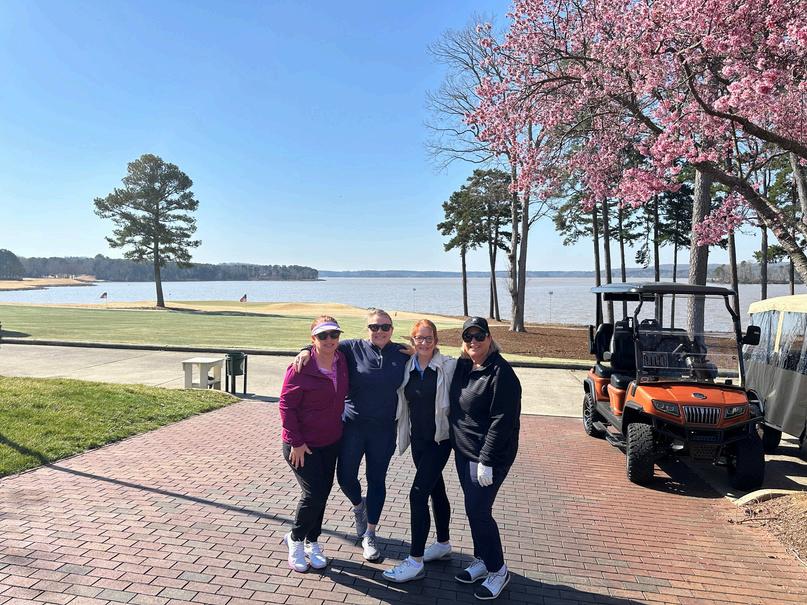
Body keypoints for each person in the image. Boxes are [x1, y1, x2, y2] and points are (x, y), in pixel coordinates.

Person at [294, 308, 409, 561]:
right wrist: (304, 350)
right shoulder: (351, 348)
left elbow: (428, 356)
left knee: (376, 480)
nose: (379, 331)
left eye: (385, 327)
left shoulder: (402, 353)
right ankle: (359, 506)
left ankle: (370, 534)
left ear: (392, 329)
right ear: (367, 329)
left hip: (383, 431)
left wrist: (420, 349)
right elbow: (323, 344)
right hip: (352, 427)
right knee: (345, 478)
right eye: (374, 327)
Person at [449, 317, 521, 600]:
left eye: (479, 336)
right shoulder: (464, 366)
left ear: (490, 338)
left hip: (489, 457)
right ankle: (481, 559)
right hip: (464, 453)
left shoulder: (501, 373)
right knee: (472, 510)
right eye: (468, 337)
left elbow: (502, 421)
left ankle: (498, 570)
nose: (474, 342)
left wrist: (487, 461)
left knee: (479, 511)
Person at [383, 319, 457, 583]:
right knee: (436, 489)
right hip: (418, 441)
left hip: (440, 441)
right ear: (413, 340)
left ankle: (415, 561)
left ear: (436, 340)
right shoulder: (408, 367)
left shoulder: (448, 366)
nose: (424, 343)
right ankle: (443, 544)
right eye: (419, 338)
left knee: (417, 495)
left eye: (429, 338)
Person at [279, 316, 349, 573]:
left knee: (322, 494)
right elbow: (286, 406)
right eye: (322, 336)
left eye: (334, 334)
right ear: (313, 339)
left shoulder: (342, 360)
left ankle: (313, 541)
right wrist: (296, 442)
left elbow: (374, 343)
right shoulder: (300, 367)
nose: (329, 340)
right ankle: (295, 539)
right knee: (313, 494)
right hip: (302, 445)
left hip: (330, 441)